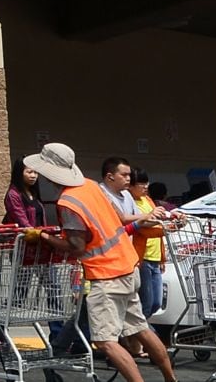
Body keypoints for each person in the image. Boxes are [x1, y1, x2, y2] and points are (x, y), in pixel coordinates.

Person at [24, 142, 180, 382]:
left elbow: (76, 247)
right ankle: (171, 379)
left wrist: (43, 236)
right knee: (139, 328)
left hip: (105, 275)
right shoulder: (90, 186)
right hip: (127, 264)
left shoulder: (67, 202)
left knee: (105, 341)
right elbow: (115, 218)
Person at [129, 170, 164, 318]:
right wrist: (162, 227)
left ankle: (139, 333)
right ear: (131, 186)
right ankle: (137, 336)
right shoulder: (130, 203)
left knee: (157, 302)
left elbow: (158, 225)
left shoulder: (148, 200)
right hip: (141, 258)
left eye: (146, 182)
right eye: (141, 183)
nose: (145, 186)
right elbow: (142, 228)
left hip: (155, 258)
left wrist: (162, 257)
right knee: (146, 303)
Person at [3, 159, 44, 227]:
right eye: (29, 172)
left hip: (38, 235)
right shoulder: (13, 195)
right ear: (20, 173)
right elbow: (22, 222)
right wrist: (39, 234)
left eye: (36, 172)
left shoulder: (33, 192)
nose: (33, 176)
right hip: (24, 236)